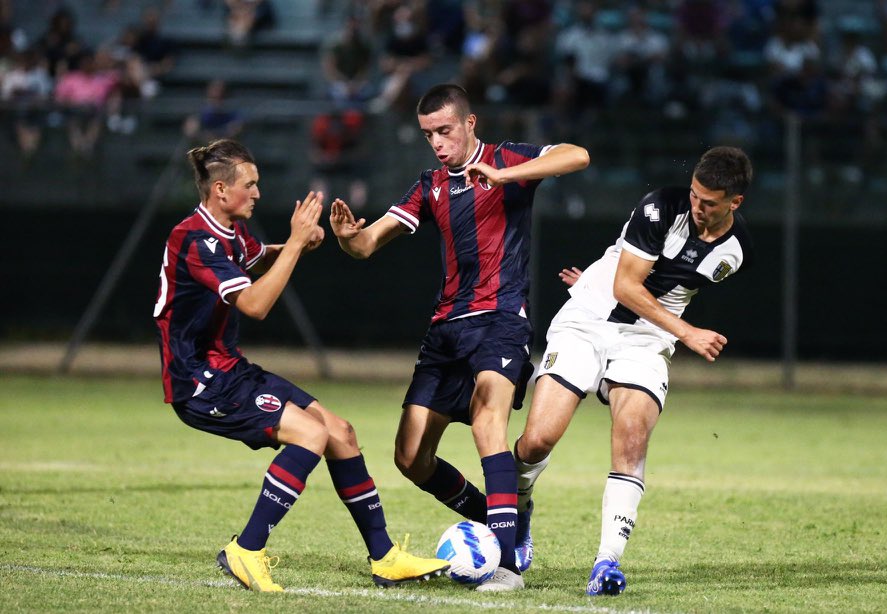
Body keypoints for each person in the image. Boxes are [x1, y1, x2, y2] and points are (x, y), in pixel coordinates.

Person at [153, 138, 448, 592]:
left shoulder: (230, 231)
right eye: (249, 185)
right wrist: (291, 244)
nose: (257, 193)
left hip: (228, 368)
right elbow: (254, 304)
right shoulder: (193, 238)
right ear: (219, 190)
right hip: (198, 381)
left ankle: (385, 557)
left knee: (341, 432)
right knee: (311, 435)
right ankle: (246, 551)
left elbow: (255, 259)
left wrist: (298, 245)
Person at [329, 83, 589, 591]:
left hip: (501, 318)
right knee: (410, 458)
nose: (438, 142)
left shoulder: (506, 158)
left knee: (487, 420)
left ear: (470, 124)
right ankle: (503, 516)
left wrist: (504, 174)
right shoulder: (428, 186)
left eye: (445, 131)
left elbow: (577, 156)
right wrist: (347, 240)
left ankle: (507, 566)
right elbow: (367, 244)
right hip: (446, 329)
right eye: (429, 134)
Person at [512, 146, 755, 596]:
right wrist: (687, 333)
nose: (697, 206)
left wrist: (667, 326)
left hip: (646, 338)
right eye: (695, 195)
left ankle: (607, 563)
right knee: (539, 439)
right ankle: (521, 510)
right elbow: (626, 285)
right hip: (588, 318)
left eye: (709, 203)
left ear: (734, 203)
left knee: (632, 437)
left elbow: (669, 286)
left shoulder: (735, 252)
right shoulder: (659, 206)